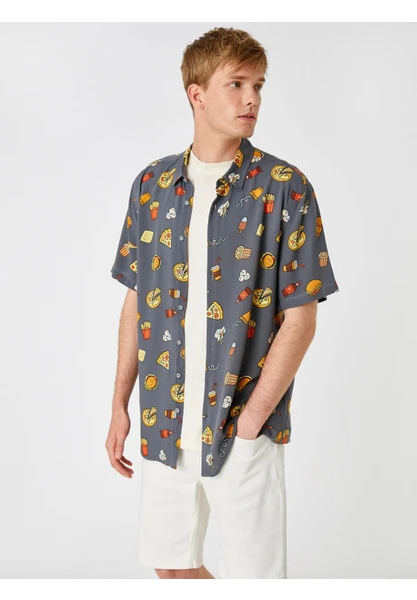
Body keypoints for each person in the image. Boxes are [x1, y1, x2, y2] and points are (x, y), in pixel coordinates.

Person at [105, 26, 340, 579]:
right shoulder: (151, 187)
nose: (251, 98)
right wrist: (120, 403)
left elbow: (301, 319)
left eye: (258, 85)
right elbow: (137, 302)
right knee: (170, 568)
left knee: (254, 581)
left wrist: (253, 417)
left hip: (241, 423)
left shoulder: (285, 187)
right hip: (164, 420)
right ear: (197, 94)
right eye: (236, 84)